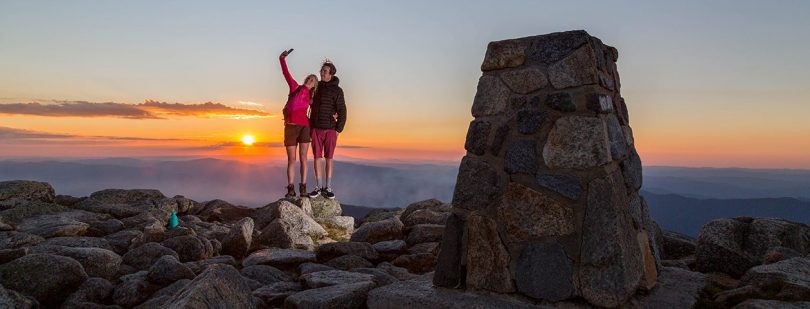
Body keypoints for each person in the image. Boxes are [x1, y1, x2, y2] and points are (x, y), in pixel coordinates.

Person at [279, 49, 318, 198]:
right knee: (292, 160)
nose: (310, 80)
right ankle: (290, 188)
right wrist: (282, 58)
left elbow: (321, 108)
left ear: (314, 85)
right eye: (309, 77)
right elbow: (285, 73)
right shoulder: (295, 87)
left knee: (303, 158)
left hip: (305, 127)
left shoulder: (312, 97)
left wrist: (334, 114)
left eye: (313, 80)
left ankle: (303, 188)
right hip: (290, 126)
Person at [308, 60, 346, 199]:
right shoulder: (315, 88)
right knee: (317, 157)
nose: (322, 73)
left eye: (325, 71)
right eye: (321, 70)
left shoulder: (337, 90)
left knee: (329, 158)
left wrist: (338, 130)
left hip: (330, 129)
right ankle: (318, 187)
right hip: (316, 129)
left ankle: (328, 187)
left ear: (331, 73)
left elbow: (342, 110)